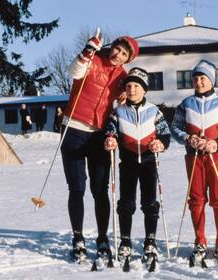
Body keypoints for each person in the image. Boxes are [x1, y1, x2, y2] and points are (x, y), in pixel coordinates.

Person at [60, 33, 139, 260]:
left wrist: (125, 99)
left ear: (128, 59)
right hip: (74, 129)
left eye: (124, 54)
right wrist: (87, 52)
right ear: (111, 46)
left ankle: (102, 238)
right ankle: (78, 237)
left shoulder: (122, 76)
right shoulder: (92, 60)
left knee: (99, 190)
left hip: (99, 135)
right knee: (77, 188)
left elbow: (129, 99)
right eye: (117, 49)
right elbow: (73, 72)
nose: (118, 55)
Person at [171, 60, 218, 263]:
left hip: (216, 156)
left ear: (211, 80)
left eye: (203, 78)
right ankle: (200, 239)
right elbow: (175, 127)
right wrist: (187, 138)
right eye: (196, 78)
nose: (199, 82)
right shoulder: (186, 104)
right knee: (196, 198)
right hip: (194, 157)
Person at [104, 67, 171, 263]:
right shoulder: (118, 112)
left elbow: (164, 134)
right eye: (128, 85)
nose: (132, 89)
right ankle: (125, 241)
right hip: (128, 163)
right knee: (126, 203)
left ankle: (150, 240)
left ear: (144, 90)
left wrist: (161, 144)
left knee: (150, 203)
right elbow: (111, 131)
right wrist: (111, 139)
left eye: (136, 86)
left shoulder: (153, 111)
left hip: (149, 162)